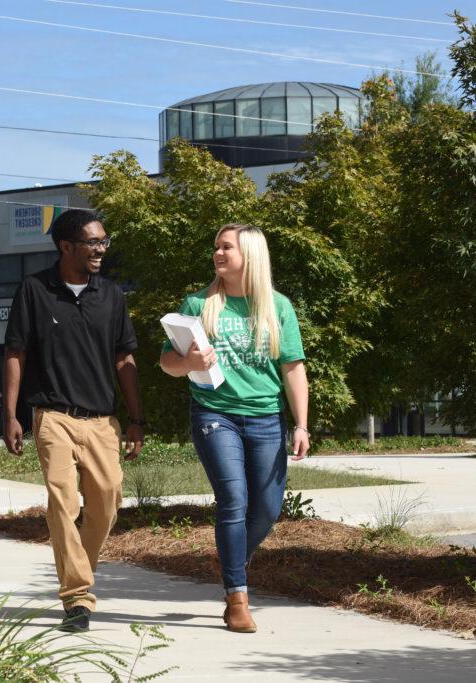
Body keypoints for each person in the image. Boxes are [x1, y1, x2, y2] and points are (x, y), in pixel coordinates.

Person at [159, 223, 308, 633]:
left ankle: (230, 557)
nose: (218, 253)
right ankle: (237, 597)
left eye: (226, 247)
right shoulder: (198, 303)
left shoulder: (277, 307)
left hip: (265, 417)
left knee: (268, 508)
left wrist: (302, 425)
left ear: (250, 255)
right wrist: (188, 363)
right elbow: (166, 363)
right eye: (216, 247)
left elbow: (293, 369)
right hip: (214, 414)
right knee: (233, 499)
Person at [3, 208, 145, 633]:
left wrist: (136, 418)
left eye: (104, 241)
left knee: (106, 504)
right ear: (67, 246)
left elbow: (125, 358)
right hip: (53, 416)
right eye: (93, 242)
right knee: (62, 503)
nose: (101, 249)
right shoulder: (34, 290)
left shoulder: (112, 295)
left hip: (102, 420)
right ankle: (77, 597)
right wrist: (10, 414)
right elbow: (15, 353)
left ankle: (77, 569)